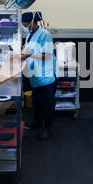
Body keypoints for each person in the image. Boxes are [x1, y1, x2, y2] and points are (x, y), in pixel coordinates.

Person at [21, 11, 57, 140]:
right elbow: (27, 49)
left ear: (32, 22)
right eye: (23, 25)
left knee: (48, 104)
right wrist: (21, 55)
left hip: (46, 75)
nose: (25, 27)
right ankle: (37, 122)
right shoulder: (30, 34)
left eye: (26, 24)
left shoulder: (45, 34)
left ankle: (47, 129)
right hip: (35, 75)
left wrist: (28, 55)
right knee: (36, 101)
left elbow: (46, 55)